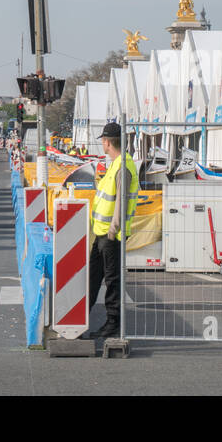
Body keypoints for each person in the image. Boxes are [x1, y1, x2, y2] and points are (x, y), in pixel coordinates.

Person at [86, 123, 139, 340]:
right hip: (102, 233)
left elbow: (121, 201)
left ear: (108, 142)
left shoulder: (122, 166)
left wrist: (114, 226)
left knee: (112, 281)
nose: (102, 144)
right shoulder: (116, 163)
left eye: (103, 141)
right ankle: (76, 319)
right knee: (93, 278)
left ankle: (113, 324)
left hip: (111, 235)